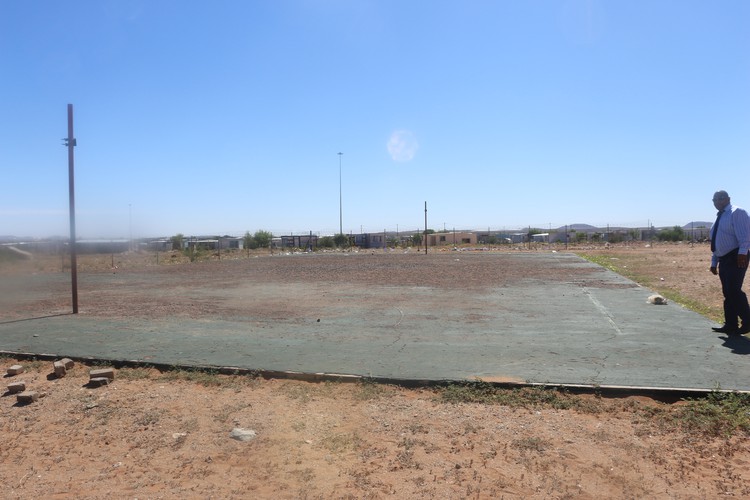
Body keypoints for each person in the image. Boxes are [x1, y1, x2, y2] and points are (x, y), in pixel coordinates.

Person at [709, 190, 750, 335]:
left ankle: (747, 321)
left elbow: (745, 235)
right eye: (714, 199)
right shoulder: (718, 218)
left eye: (720, 198)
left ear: (728, 199)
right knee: (728, 291)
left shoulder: (737, 212)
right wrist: (714, 262)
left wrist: (742, 253)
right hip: (724, 258)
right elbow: (716, 242)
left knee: (733, 290)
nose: (717, 201)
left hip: (736, 256)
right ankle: (731, 324)